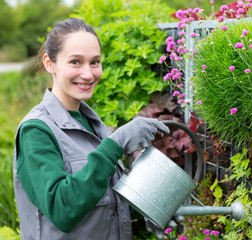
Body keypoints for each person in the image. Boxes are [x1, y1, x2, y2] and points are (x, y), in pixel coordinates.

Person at [13, 17, 171, 240]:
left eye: (95, 62)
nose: (88, 74)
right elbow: (62, 208)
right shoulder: (36, 131)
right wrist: (115, 144)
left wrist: (149, 207)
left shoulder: (92, 124)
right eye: (75, 62)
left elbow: (100, 199)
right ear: (50, 63)